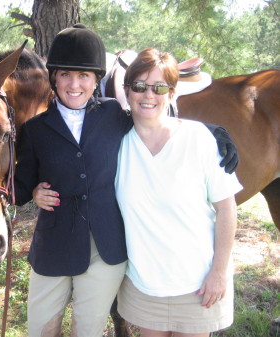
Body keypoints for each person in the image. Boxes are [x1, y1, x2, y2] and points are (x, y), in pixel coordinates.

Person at [14, 24, 238, 337]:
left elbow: (158, 117)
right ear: (54, 78)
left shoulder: (110, 115)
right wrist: (32, 191)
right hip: (61, 246)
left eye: (84, 76)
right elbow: (22, 183)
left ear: (96, 80)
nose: (75, 84)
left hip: (110, 249)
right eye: (65, 74)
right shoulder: (38, 128)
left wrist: (214, 131)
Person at [114, 48, 243, 337]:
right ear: (128, 90)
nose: (149, 95)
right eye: (140, 86)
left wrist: (219, 273)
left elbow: (227, 208)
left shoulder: (200, 140)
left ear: (172, 93)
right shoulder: (116, 144)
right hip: (145, 286)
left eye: (160, 87)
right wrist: (36, 188)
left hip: (198, 285)